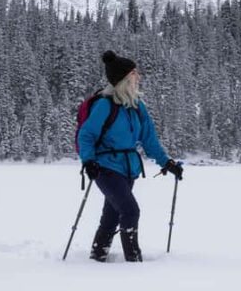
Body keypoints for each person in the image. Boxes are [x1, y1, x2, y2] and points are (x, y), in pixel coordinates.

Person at [77, 50, 184, 262]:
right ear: (124, 79)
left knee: (112, 215)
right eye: (134, 73)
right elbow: (86, 135)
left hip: (128, 169)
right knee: (130, 211)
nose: (139, 77)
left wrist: (167, 162)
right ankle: (133, 261)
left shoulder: (136, 106)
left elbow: (149, 140)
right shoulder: (104, 105)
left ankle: (97, 256)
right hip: (105, 167)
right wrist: (88, 161)